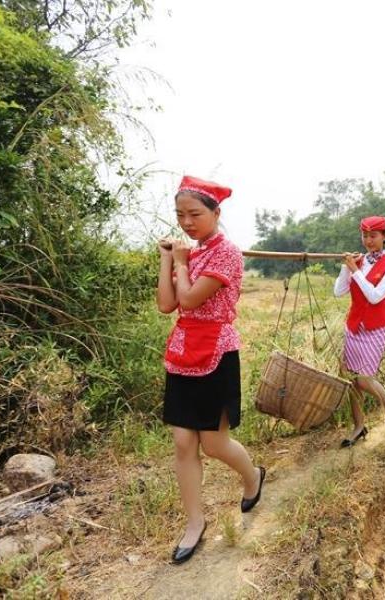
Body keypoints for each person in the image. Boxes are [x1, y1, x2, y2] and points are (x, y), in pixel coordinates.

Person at [157, 176, 264, 565]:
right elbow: (168, 305)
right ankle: (194, 522)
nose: (187, 222)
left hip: (216, 351)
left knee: (213, 443)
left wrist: (181, 262)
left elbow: (189, 296)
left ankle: (252, 477)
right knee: (184, 442)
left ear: (216, 213)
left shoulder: (226, 254)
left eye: (195, 214)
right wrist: (168, 259)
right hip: (183, 351)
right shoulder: (193, 253)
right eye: (180, 215)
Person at [333, 216, 385, 448]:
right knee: (351, 379)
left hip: (376, 327)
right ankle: (359, 426)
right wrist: (346, 268)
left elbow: (375, 296)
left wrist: (356, 271)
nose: (369, 241)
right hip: (354, 325)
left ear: (384, 237)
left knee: (363, 378)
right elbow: (338, 292)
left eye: (373, 236)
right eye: (365, 236)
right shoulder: (358, 262)